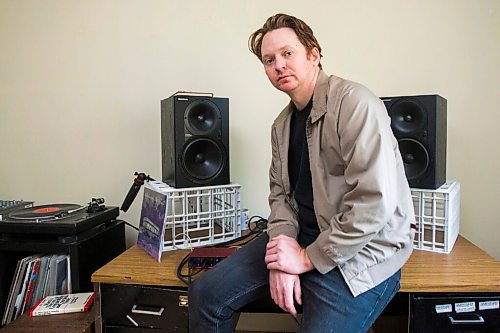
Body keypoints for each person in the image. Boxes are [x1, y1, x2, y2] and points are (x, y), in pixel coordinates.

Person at [188, 13, 415, 333]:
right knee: (205, 295)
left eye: (287, 53)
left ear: (313, 54)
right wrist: (282, 255)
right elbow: (280, 197)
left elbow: (373, 203)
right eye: (269, 60)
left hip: (362, 252)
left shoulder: (355, 103)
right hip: (302, 240)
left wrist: (306, 259)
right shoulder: (281, 125)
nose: (278, 65)